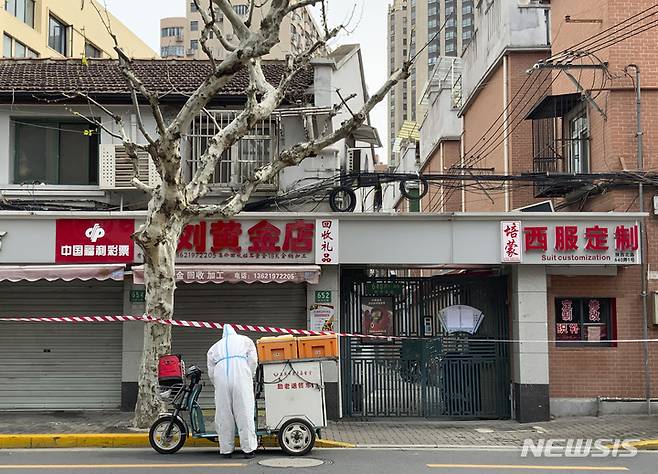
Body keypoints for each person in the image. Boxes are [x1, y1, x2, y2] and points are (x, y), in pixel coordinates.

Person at [207, 324, 258, 459]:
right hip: (241, 375)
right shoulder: (245, 340)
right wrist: (249, 376)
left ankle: (226, 450)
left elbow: (211, 372)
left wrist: (217, 384)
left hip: (221, 377)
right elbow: (253, 361)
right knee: (244, 413)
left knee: (224, 415)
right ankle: (248, 450)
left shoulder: (214, 347)